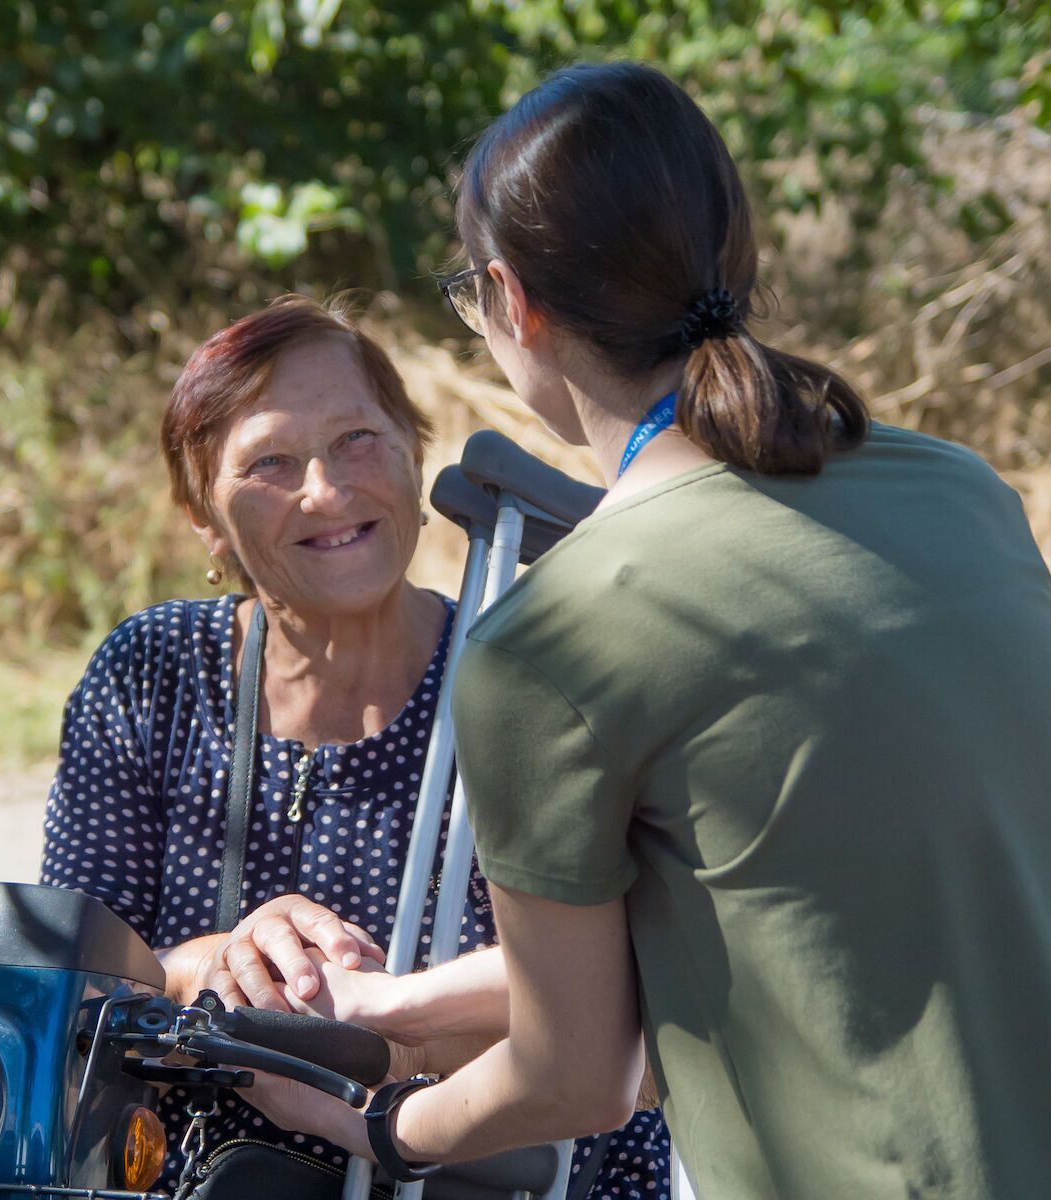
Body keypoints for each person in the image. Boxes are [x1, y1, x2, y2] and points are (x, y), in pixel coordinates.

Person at [245, 63, 1051, 1200]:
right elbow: (771, 908)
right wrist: (401, 1004)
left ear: (508, 301)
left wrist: (382, 1129)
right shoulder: (965, 494)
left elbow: (579, 1076)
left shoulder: (551, 643)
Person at [39, 295, 671, 1196]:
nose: (327, 492)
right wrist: (217, 963)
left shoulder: (532, 681)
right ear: (204, 518)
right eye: (269, 462)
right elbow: (75, 971)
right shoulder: (152, 675)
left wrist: (376, 1031)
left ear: (415, 449)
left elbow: (629, 1023)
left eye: (357, 440)